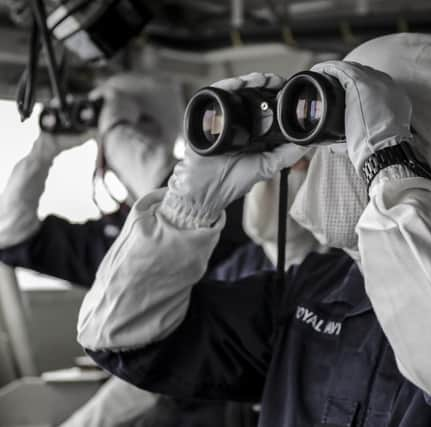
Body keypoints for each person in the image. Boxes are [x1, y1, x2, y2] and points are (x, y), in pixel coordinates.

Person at [77, 34, 431, 426]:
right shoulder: (313, 289)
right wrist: (188, 204)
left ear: (409, 150)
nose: (317, 166)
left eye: (339, 140)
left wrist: (385, 160)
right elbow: (122, 339)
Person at [0, 73, 262, 427]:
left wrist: (115, 130)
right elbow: (10, 236)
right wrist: (45, 148)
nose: (124, 146)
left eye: (138, 132)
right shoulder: (120, 234)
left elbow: (173, 196)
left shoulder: (219, 208)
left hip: (212, 404)